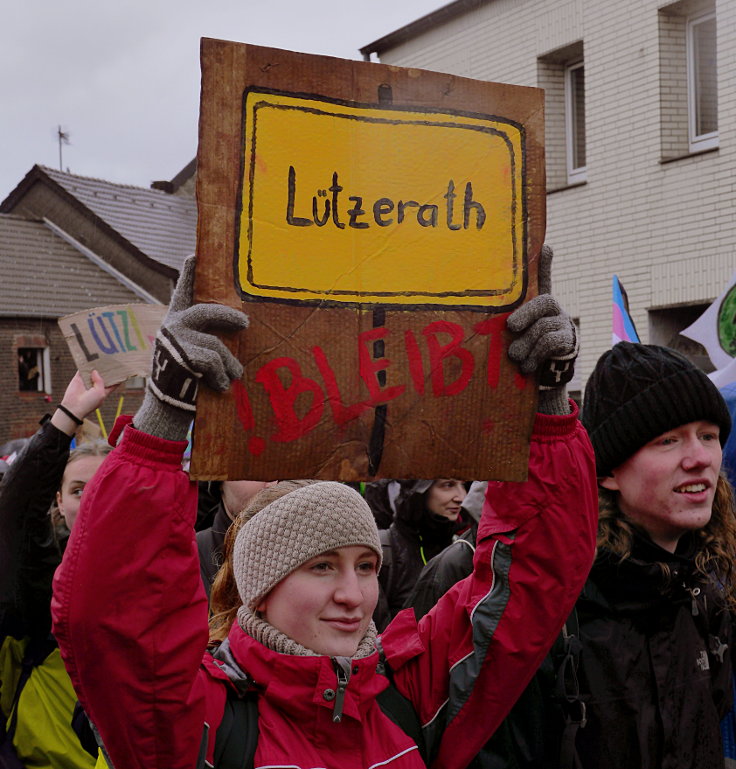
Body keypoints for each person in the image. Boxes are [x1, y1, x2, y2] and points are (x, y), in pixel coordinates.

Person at [51, 254, 597, 769]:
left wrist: (546, 407)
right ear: (260, 588)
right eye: (321, 566)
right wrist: (162, 418)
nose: (354, 595)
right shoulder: (203, 723)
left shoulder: (407, 698)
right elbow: (109, 617)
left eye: (365, 566)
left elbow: (530, 580)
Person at [566, 341, 736, 769]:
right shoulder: (561, 604)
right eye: (668, 440)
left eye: (709, 436)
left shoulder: (708, 591)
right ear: (607, 473)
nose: (700, 458)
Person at [0, 371, 112, 769]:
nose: (92, 502)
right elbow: (18, 507)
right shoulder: (42, 579)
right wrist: (67, 415)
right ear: (59, 501)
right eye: (79, 490)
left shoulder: (153, 574)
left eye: (105, 490)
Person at [374, 478, 467, 629]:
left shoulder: (462, 549)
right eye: (448, 485)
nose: (461, 497)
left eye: (463, 485)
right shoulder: (384, 552)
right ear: (419, 493)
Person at [197, 478, 276, 598]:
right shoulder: (191, 559)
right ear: (220, 482)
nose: (273, 483)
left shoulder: (310, 552)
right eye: (252, 468)